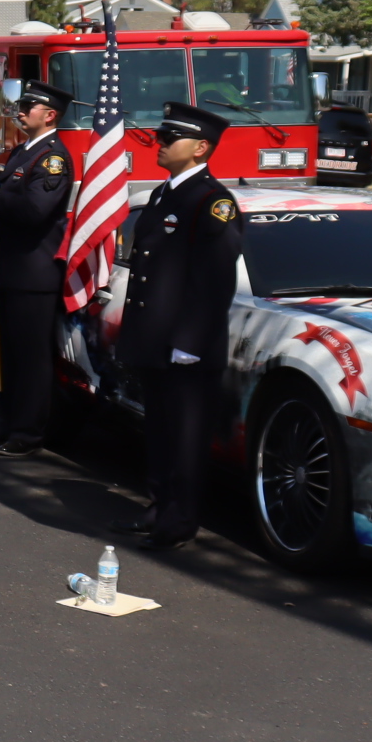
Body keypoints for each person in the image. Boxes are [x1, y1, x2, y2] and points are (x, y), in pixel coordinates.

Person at [114, 102, 243, 552]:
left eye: (172, 138)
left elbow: (214, 282)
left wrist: (190, 342)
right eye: (161, 136)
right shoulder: (164, 194)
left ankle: (179, 521)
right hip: (156, 339)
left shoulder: (213, 202)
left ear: (201, 147)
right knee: (160, 431)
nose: (161, 144)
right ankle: (158, 505)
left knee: (186, 438)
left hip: (187, 347)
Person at [0, 80, 73, 459]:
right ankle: (7, 421)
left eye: (30, 105)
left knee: (31, 359)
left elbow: (34, 210)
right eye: (23, 103)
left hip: (34, 275)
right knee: (8, 353)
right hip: (10, 269)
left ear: (50, 116)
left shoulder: (52, 158)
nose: (21, 109)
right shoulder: (21, 153)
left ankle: (28, 432)